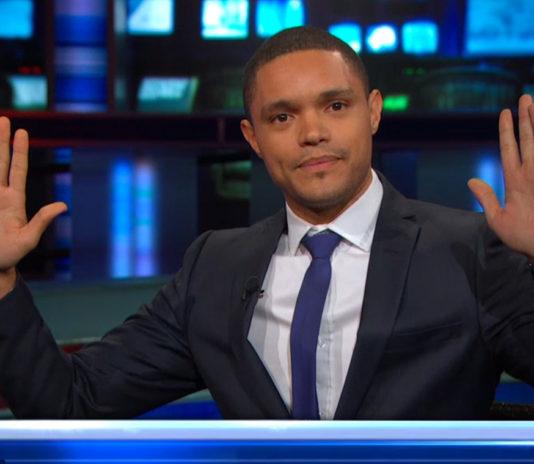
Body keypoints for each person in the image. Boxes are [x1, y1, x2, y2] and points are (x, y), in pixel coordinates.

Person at [1, 26, 534, 420]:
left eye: (335, 106)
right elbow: (68, 401)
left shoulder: (471, 251)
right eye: (282, 117)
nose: (312, 133)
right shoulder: (214, 268)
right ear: (252, 137)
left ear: (372, 111)